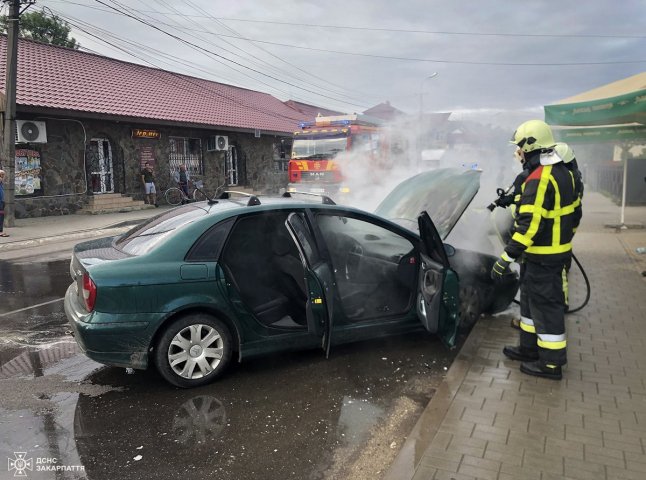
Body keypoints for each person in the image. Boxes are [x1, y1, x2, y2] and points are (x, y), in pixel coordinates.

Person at [491, 120, 580, 380]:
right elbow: (563, 211)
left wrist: (505, 258)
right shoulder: (563, 172)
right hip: (547, 254)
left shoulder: (540, 178)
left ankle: (551, 364)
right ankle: (529, 349)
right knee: (530, 305)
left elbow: (530, 226)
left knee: (546, 310)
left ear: (530, 146)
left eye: (519, 148)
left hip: (544, 256)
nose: (518, 153)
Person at [0, 169, 7, 237]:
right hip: (0, 202)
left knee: (1, 216)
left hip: (1, 201)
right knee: (1, 216)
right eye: (2, 174)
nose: (2, 176)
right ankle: (0, 231)